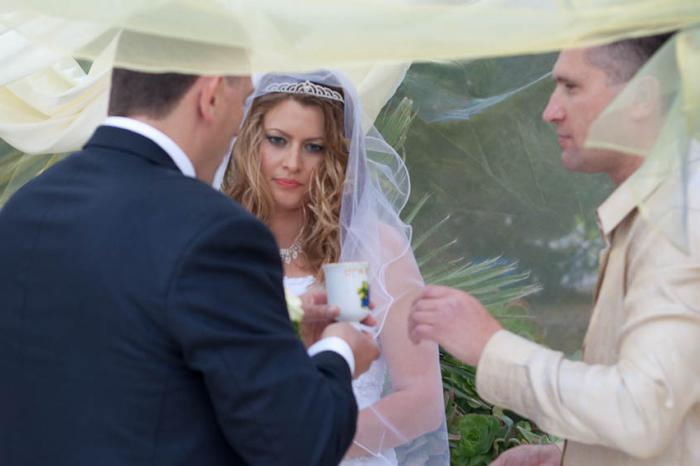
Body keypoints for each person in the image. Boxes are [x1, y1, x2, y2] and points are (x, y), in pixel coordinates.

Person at [0, 67, 381, 466]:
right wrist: (339, 349)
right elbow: (301, 442)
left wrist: (281, 334)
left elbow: (121, 349)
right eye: (243, 101)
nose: (239, 126)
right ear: (211, 94)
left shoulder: (26, 208)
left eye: (313, 146)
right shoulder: (218, 231)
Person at [408, 32, 700, 466]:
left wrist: (490, 346)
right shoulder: (660, 206)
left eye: (571, 87)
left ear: (642, 97)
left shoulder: (678, 216)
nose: (550, 111)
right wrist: (566, 457)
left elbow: (641, 412)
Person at [223, 70, 449, 465]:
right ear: (250, 142)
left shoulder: (362, 253)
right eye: (278, 141)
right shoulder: (218, 246)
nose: (292, 163)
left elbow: (421, 399)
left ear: (337, 155)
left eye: (314, 147)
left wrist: (316, 444)